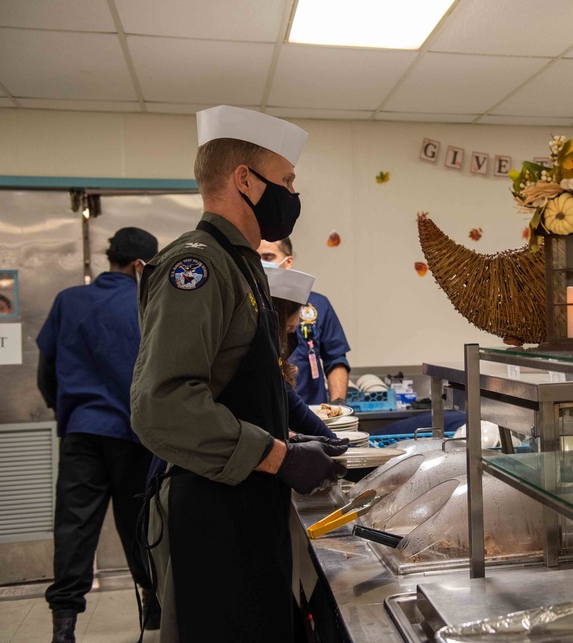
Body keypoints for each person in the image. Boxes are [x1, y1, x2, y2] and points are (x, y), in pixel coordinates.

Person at [130, 105, 346, 642]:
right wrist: (281, 455)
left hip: (250, 506)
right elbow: (164, 406)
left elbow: (246, 386)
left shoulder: (244, 265)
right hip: (212, 514)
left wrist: (300, 438)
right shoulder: (198, 266)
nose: (293, 196)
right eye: (287, 181)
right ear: (245, 180)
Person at [37, 227, 160, 643]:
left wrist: (71, 412)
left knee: (74, 527)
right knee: (139, 523)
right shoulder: (146, 304)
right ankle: (154, 603)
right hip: (133, 436)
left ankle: (64, 625)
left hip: (82, 434)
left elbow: (46, 372)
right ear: (141, 266)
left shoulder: (68, 301)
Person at [258, 238, 351, 404]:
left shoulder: (317, 305)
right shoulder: (246, 303)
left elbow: (336, 359)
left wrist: (338, 406)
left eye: (268, 257)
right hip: (267, 413)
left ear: (288, 262)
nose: (261, 263)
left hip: (312, 408)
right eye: (256, 257)